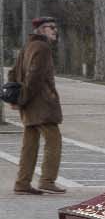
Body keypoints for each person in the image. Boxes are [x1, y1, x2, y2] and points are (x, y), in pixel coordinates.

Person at [10, 17, 64, 194]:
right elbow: (34, 76)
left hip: (29, 104)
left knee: (30, 144)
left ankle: (22, 183)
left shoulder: (28, 46)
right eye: (51, 27)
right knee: (54, 140)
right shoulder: (43, 47)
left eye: (55, 27)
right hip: (42, 105)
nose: (55, 30)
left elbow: (13, 72)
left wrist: (16, 100)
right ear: (41, 30)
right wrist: (22, 98)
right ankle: (47, 181)